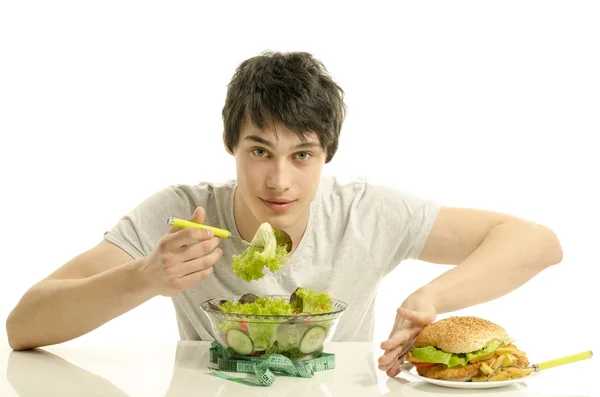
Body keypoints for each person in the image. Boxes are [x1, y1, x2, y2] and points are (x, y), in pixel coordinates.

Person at [5, 51, 563, 378]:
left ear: (327, 155)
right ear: (230, 146)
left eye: (302, 155)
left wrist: (430, 300)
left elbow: (537, 242)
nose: (279, 181)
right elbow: (24, 326)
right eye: (259, 151)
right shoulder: (185, 213)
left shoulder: (365, 212)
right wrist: (143, 277)